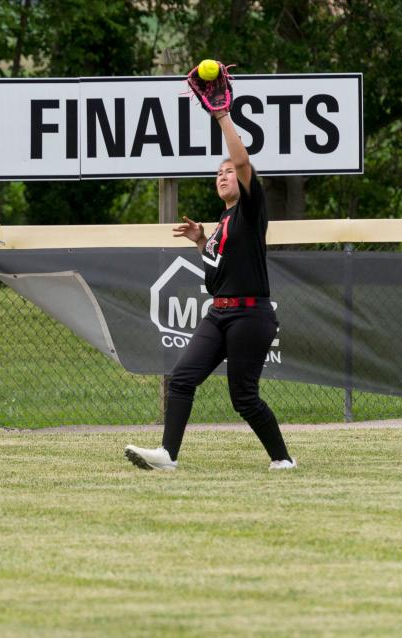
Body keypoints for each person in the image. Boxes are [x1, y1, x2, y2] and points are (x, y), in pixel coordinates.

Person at [124, 108, 296, 471]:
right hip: (219, 312)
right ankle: (167, 456)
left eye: (228, 171)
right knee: (183, 379)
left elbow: (244, 161)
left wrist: (221, 117)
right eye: (218, 173)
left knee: (244, 398)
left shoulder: (250, 210)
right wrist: (202, 242)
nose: (223, 175)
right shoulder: (224, 220)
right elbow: (223, 268)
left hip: (250, 314)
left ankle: (282, 459)